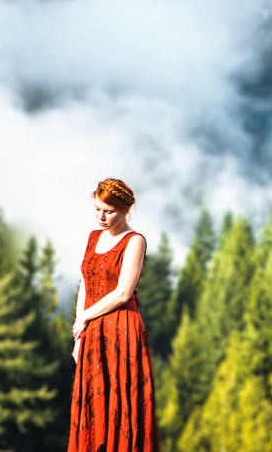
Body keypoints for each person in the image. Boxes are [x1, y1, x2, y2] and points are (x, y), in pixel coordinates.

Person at [68, 178, 159, 452]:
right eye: (97, 209)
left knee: (121, 404)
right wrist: (79, 332)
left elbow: (123, 293)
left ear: (125, 209)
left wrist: (84, 317)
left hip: (122, 331)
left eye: (109, 211)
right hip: (93, 331)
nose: (101, 217)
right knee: (93, 405)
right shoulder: (93, 237)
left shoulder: (135, 241)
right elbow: (85, 282)